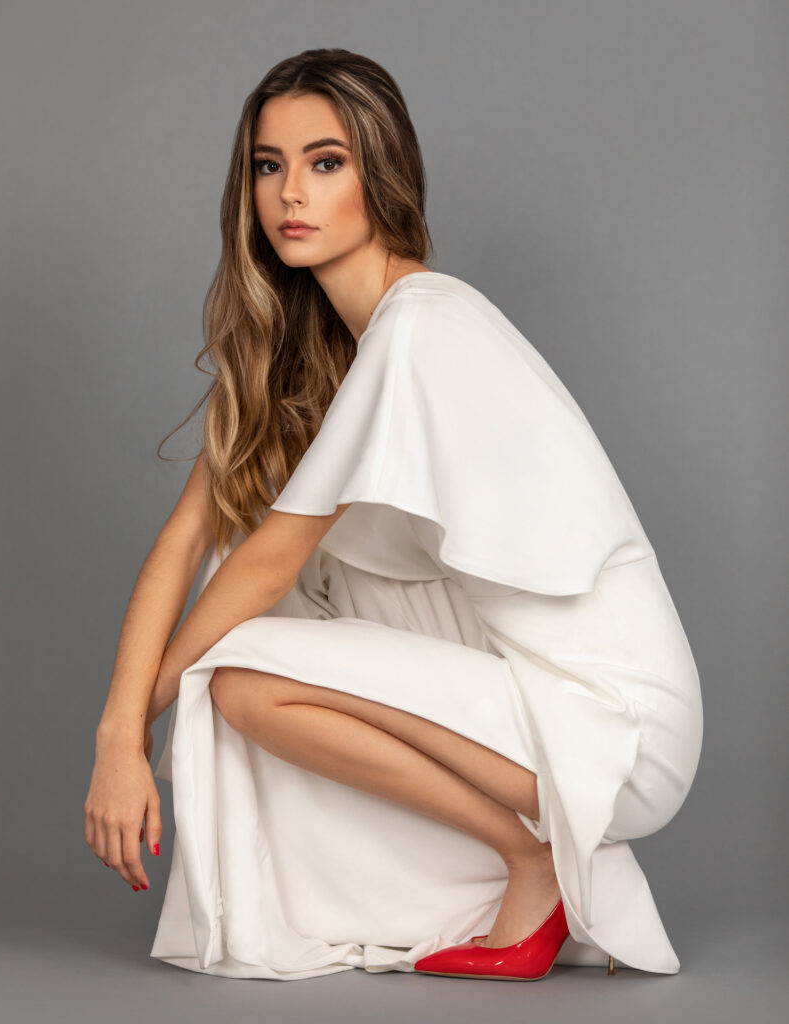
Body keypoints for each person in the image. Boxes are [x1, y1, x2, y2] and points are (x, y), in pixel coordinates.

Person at [84, 48, 703, 983]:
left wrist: (130, 739)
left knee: (240, 664)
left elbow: (266, 570)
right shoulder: (314, 356)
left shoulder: (421, 325)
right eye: (268, 164)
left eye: (325, 162)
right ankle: (516, 863)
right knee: (240, 616)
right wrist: (113, 734)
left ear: (383, 176)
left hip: (611, 726)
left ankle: (535, 858)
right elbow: (185, 542)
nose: (291, 191)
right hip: (524, 701)